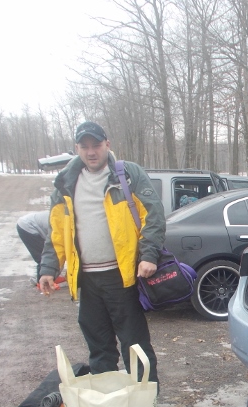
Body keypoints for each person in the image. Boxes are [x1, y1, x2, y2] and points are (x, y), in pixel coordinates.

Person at [39, 121, 164, 384]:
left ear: (107, 144)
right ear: (77, 149)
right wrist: (49, 269)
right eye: (84, 147)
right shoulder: (65, 184)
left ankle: (144, 402)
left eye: (96, 145)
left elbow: (153, 215)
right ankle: (109, 403)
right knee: (99, 348)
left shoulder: (127, 175)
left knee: (135, 346)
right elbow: (57, 232)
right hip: (87, 281)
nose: (91, 152)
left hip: (122, 277)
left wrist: (149, 255)